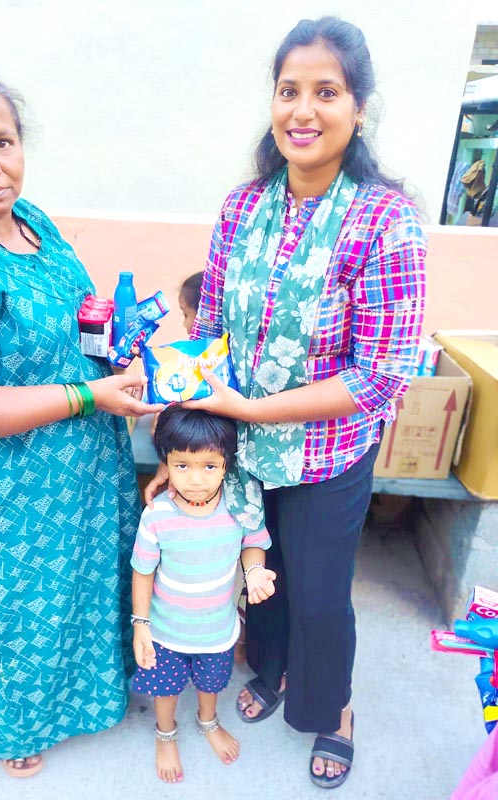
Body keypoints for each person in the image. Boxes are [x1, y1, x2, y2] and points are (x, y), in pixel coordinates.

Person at [146, 16, 426, 789]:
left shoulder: (385, 220)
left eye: (325, 92)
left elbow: (381, 374)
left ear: (358, 108)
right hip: (241, 449)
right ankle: (269, 670)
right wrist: (181, 425)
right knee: (257, 574)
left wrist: (251, 412)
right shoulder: (244, 207)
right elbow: (211, 330)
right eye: (288, 90)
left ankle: (332, 709)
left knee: (320, 595)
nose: (303, 110)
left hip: (326, 453)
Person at [0, 65, 162, 777]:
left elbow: (72, 316)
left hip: (74, 468)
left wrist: (116, 350)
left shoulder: (31, 221)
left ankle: (87, 700)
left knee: (77, 592)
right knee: (10, 619)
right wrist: (87, 397)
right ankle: (11, 728)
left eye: (3, 141)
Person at [131, 405, 275, 783]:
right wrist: (141, 625)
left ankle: (207, 721)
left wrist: (255, 572)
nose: (195, 479)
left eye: (209, 466)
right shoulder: (157, 515)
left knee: (211, 684)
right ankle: (165, 733)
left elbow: (253, 544)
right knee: (165, 689)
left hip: (217, 631)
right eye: (183, 465)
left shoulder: (239, 506)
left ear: (227, 463)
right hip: (165, 632)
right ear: (166, 463)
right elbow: (142, 572)